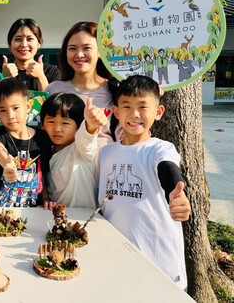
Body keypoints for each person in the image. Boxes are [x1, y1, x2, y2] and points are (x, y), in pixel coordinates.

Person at [98, 75, 191, 290]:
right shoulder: (106, 153)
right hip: (117, 260)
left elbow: (168, 169)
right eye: (127, 106)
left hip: (160, 263)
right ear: (116, 111)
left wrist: (176, 194)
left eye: (143, 107)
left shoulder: (160, 148)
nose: (134, 114)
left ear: (158, 112)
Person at [45, 21, 117, 146]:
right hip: (63, 164)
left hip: (104, 164)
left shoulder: (115, 90)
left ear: (100, 52)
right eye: (72, 48)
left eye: (87, 48)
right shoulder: (53, 90)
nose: (79, 54)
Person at [0, 77, 52, 207]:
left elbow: (41, 174)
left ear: (27, 106)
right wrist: (7, 164)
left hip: (34, 209)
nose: (10, 115)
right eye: (3, 110)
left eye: (15, 108)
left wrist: (45, 199)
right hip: (1, 209)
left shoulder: (42, 138)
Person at [41, 93, 108, 210]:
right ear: (42, 124)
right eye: (51, 121)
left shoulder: (80, 150)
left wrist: (90, 124)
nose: (57, 129)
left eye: (65, 123)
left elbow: (86, 138)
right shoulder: (44, 153)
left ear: (79, 126)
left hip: (84, 221)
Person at [2, 18, 60, 91]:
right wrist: (4, 79)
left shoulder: (51, 72)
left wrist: (41, 77)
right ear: (10, 44)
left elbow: (53, 101)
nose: (24, 45)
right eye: (18, 39)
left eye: (29, 39)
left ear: (39, 43)